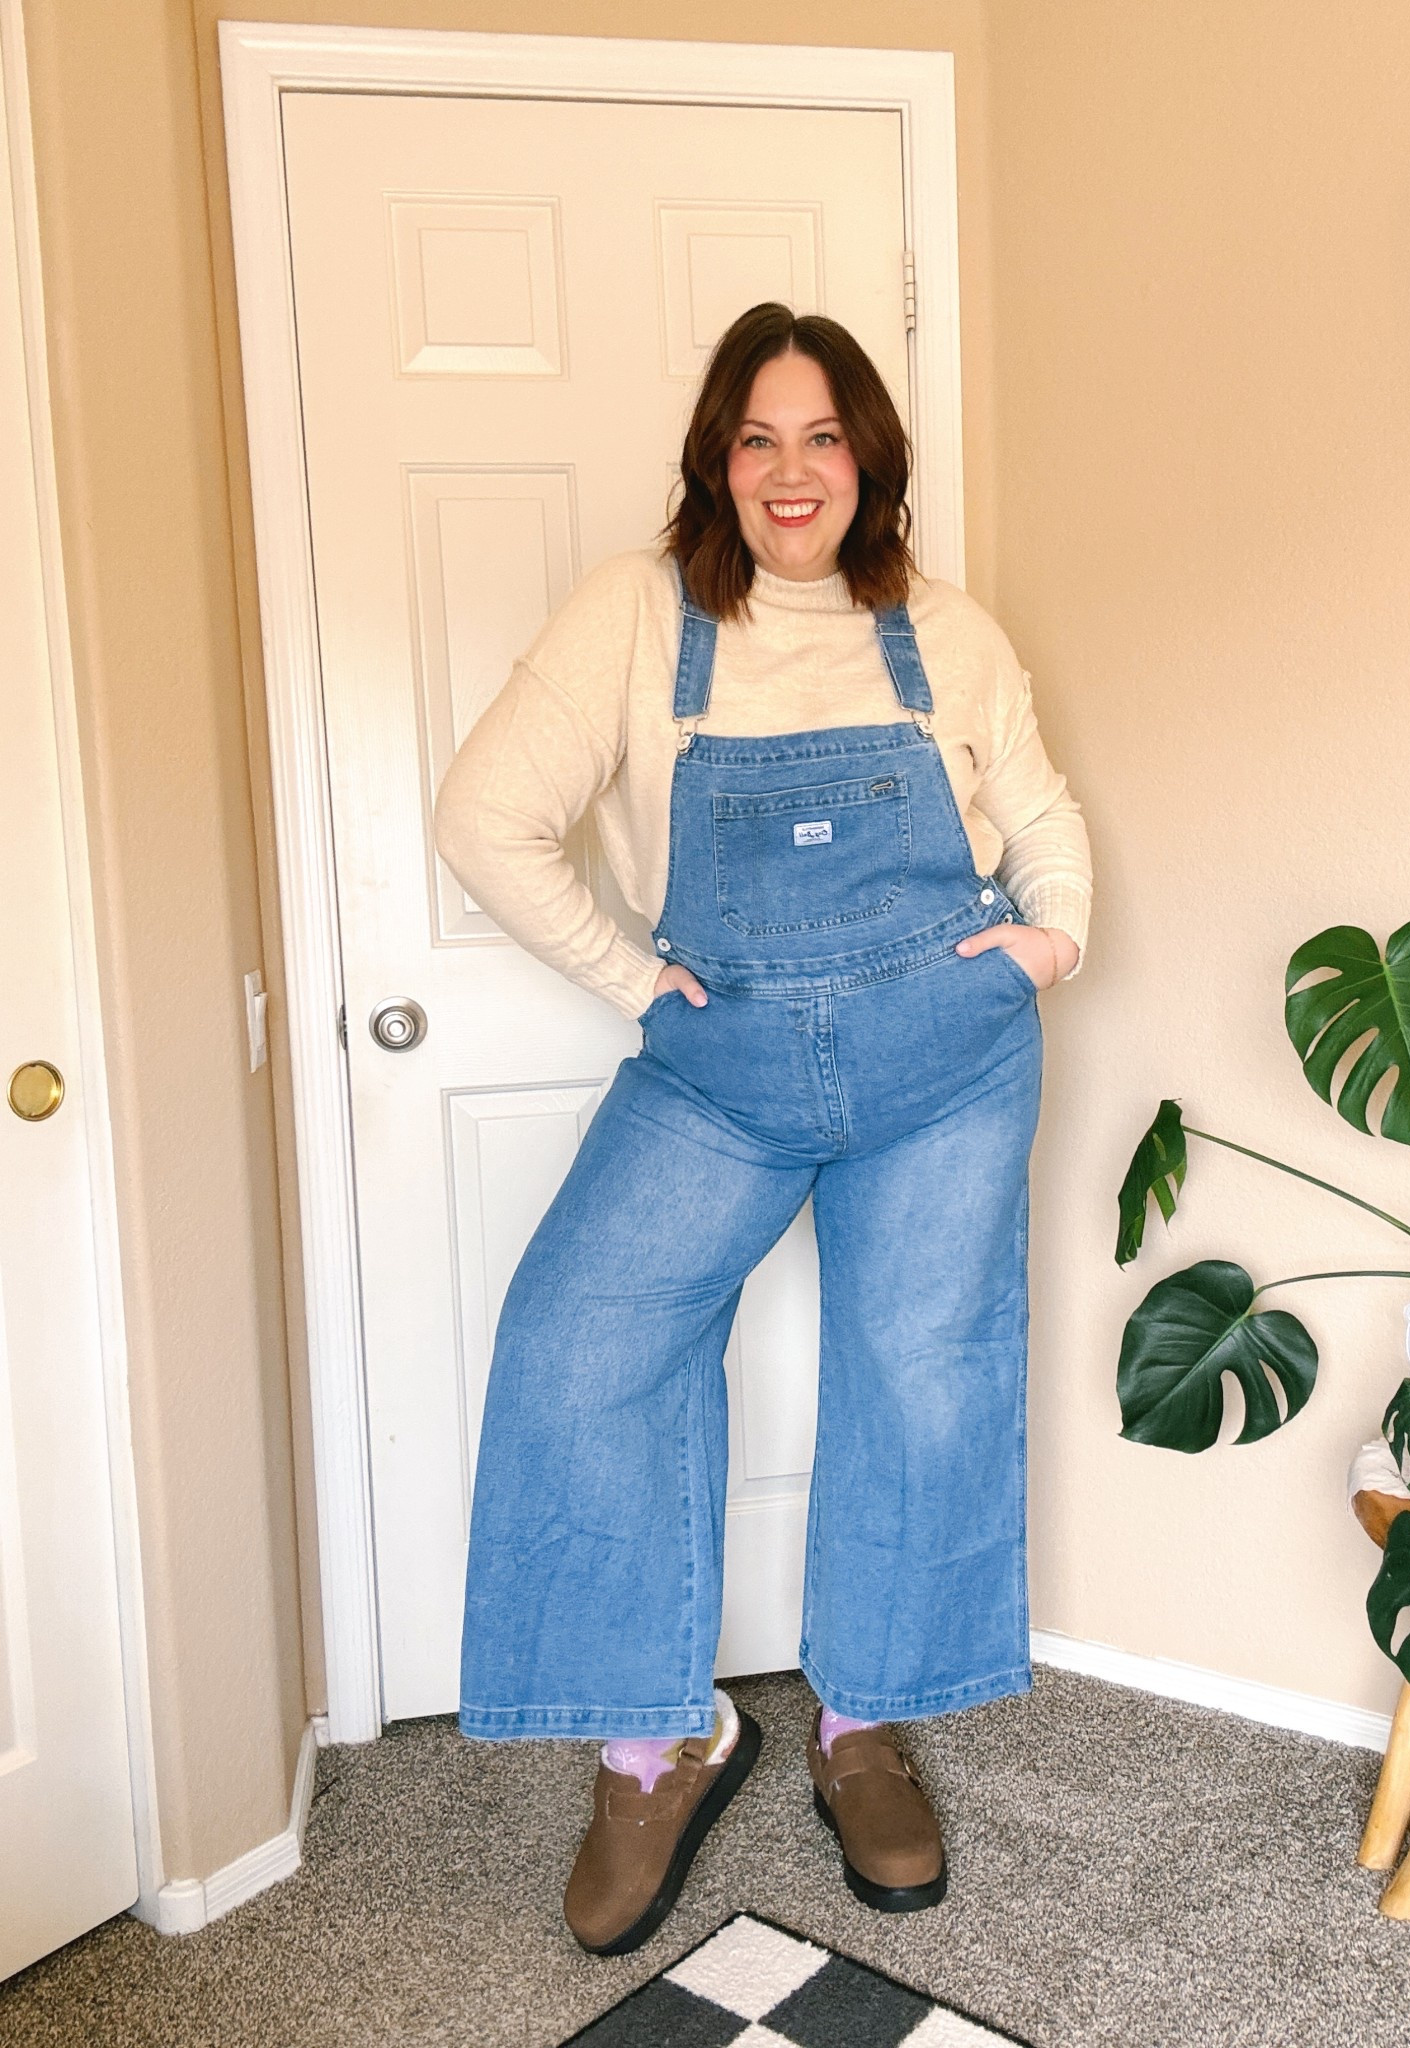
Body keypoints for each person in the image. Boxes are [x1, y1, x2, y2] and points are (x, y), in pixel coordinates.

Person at [433, 301, 1092, 1957]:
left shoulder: (949, 629)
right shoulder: (640, 615)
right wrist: (633, 975)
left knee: (921, 1370)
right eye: (757, 438)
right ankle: (659, 1741)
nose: (792, 473)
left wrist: (1050, 937)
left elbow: (1038, 803)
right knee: (582, 1340)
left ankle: (865, 1724)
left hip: (940, 1059)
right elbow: (486, 816)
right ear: (715, 459)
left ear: (867, 456)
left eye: (823, 437)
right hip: (716, 1060)